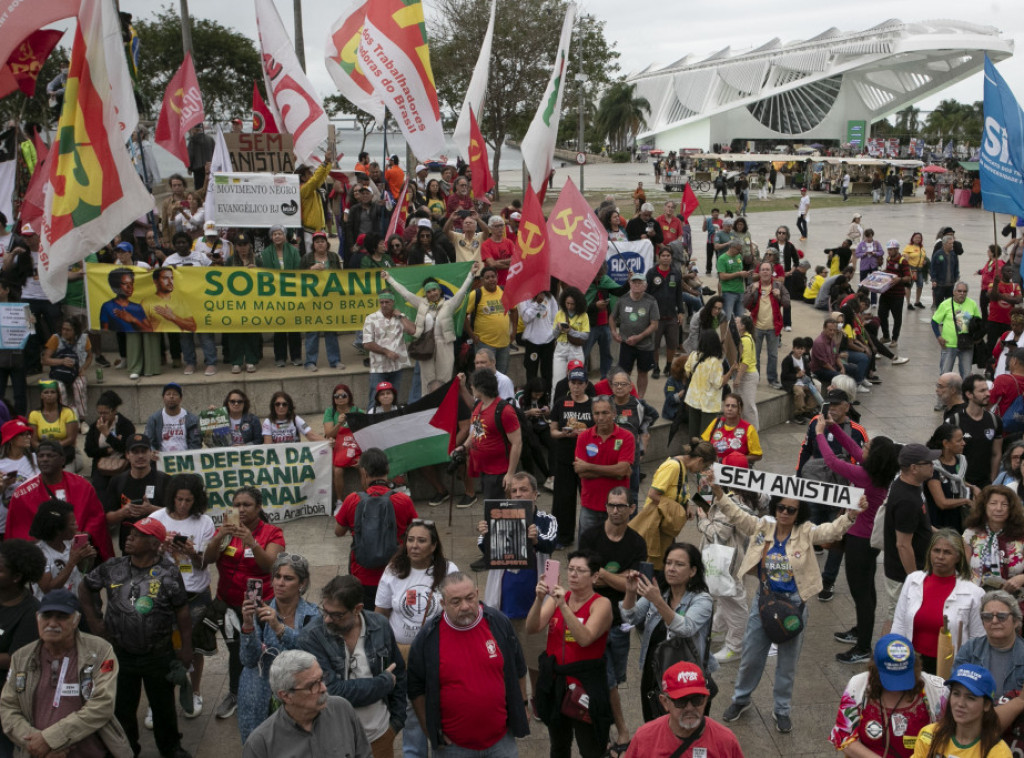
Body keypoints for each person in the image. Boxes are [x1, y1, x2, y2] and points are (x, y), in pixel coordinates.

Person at [714, 478, 866, 734]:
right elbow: (737, 515)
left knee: (787, 663)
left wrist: (850, 515)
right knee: (751, 657)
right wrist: (717, 491)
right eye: (780, 507)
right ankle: (740, 700)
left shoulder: (806, 531)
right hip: (763, 603)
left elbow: (831, 531)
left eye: (791, 509)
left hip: (795, 607)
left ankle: (781, 710)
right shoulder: (763, 527)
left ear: (799, 513)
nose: (784, 512)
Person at [79, 517, 193, 758]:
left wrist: (185, 647)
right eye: (130, 533)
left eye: (138, 535)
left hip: (159, 654)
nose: (129, 537)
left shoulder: (169, 571)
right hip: (120, 654)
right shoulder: (112, 566)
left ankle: (171, 747)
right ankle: (126, 749)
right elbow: (85, 587)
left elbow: (182, 611)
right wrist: (94, 621)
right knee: (122, 708)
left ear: (154, 544)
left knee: (163, 707)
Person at [407, 572, 529, 757]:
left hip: (501, 741)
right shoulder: (428, 637)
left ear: (477, 593)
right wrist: (430, 730)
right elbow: (415, 688)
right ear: (443, 604)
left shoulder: (498, 623)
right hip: (453, 747)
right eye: (455, 602)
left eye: (470, 598)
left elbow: (518, 667)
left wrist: (523, 705)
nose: (465, 606)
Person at [0, 588, 132, 758]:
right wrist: (35, 745)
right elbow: (8, 707)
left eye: (62, 617)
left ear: (76, 620)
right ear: (37, 619)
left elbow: (102, 705)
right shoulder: (21, 657)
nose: (52, 623)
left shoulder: (100, 651)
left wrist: (50, 740)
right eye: (46, 616)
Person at [814, 411, 900, 663]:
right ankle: (861, 631)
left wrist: (820, 434)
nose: (864, 447)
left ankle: (863, 646)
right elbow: (854, 448)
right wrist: (834, 428)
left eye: (869, 446)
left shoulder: (866, 476)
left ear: (875, 456)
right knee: (867, 590)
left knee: (861, 592)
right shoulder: (877, 472)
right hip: (866, 540)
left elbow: (831, 461)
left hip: (860, 541)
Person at [374, 518, 457, 757]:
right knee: (411, 708)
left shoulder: (449, 570)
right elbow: (380, 615)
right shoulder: (393, 571)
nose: (414, 545)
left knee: (441, 703)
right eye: (410, 540)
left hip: (440, 652)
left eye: (421, 540)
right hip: (404, 655)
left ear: (433, 546)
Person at [201, 486, 285, 721]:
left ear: (258, 508)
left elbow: (270, 566)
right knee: (236, 649)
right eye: (237, 505)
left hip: (260, 604)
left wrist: (251, 542)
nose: (241, 509)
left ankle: (270, 692)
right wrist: (219, 536)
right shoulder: (225, 532)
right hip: (227, 604)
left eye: (246, 505)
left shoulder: (272, 532)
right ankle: (236, 693)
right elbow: (206, 560)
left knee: (262, 649)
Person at [299, 575, 407, 757]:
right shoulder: (311, 637)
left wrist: (395, 723)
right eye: (324, 611)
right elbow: (331, 692)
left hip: (379, 736)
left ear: (357, 609)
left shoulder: (380, 625)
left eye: (336, 615)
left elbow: (400, 673)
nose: (327, 620)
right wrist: (384, 683)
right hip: (332, 743)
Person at [578, 487, 647, 750]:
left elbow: (631, 587)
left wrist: (603, 575)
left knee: (614, 678)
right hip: (593, 621)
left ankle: (603, 723)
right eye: (611, 505)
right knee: (606, 679)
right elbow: (584, 578)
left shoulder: (637, 543)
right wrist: (617, 578)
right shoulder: (589, 536)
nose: (615, 510)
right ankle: (620, 729)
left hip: (621, 622)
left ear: (632, 508)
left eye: (621, 506)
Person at [527, 550, 614, 758]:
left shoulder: (601, 604)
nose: (573, 574)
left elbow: (585, 638)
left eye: (580, 570)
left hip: (585, 685)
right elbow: (532, 627)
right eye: (571, 569)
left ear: (594, 576)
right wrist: (539, 600)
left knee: (590, 748)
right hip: (557, 682)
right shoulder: (559, 597)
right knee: (558, 745)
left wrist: (564, 606)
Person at [620, 542, 716, 724]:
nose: (671, 569)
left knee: (687, 728)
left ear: (693, 571)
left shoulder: (702, 600)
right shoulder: (661, 593)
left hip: (688, 675)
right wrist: (631, 593)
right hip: (654, 671)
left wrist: (657, 602)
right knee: (654, 724)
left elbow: (685, 628)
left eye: (679, 564)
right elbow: (630, 618)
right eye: (669, 563)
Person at [149, 473, 216, 717]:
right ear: (171, 497)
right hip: (162, 592)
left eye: (188, 500)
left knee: (195, 646)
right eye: (179, 499)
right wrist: (159, 546)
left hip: (195, 592)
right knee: (161, 646)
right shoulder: (156, 518)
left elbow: (203, 564)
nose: (183, 505)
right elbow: (142, 557)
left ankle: (194, 691)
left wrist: (192, 552)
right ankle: (158, 700)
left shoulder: (205, 523)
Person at [237, 553, 318, 743]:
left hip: (298, 695)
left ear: (302, 583)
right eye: (277, 577)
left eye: (288, 578)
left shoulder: (312, 615)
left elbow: (309, 654)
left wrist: (280, 628)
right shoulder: (259, 614)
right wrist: (248, 625)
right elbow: (248, 660)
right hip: (259, 695)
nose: (280, 583)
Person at [828, 633, 948, 757]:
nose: (896, 687)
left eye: (903, 677)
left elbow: (953, 735)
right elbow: (843, 736)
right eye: (890, 679)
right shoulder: (857, 686)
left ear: (915, 668)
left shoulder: (937, 690)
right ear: (874, 669)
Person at [241, 650, 372, 758]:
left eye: (322, 679)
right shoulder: (260, 744)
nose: (323, 688)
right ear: (285, 695)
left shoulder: (342, 709)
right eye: (312, 685)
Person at [334, 448, 419, 610]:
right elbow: (415, 531)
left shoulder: (352, 499)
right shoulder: (403, 500)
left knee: (366, 621)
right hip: (396, 573)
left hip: (362, 576)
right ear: (387, 470)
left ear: (364, 472)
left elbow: (338, 531)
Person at [891, 529, 985, 673]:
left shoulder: (974, 593)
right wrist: (894, 658)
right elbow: (899, 624)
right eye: (936, 551)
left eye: (947, 552)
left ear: (958, 557)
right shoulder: (912, 580)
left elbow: (977, 639)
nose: (940, 556)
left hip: (951, 668)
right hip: (912, 663)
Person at [6, 440, 114, 561]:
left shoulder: (82, 485)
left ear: (63, 460)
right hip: (42, 559)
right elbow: (18, 531)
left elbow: (96, 517)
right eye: (41, 456)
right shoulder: (22, 493)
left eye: (50, 455)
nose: (44, 459)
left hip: (80, 553)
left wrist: (85, 535)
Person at [384, 263, 480, 397]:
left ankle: (444, 407)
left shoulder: (449, 305)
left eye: (434, 290)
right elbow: (405, 293)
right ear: (425, 294)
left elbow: (462, 291)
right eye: (428, 291)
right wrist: (389, 279)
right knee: (427, 380)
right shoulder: (421, 304)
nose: (432, 293)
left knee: (445, 379)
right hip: (425, 346)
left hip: (445, 344)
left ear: (440, 291)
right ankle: (427, 409)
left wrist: (471, 274)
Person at [623, 660, 742, 758]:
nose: (690, 708)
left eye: (697, 700)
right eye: (681, 701)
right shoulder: (644, 739)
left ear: (705, 700)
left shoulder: (725, 741)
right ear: (665, 702)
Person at [912, 663, 1012, 758]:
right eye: (956, 694)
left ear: (986, 705)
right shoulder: (930, 735)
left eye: (970, 698)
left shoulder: (999, 753)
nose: (960, 703)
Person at [460, 368, 522, 513]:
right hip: (485, 470)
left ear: (481, 387)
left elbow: (517, 443)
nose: (471, 387)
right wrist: (464, 447)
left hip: (499, 472)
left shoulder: (504, 411)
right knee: (491, 510)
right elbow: (477, 431)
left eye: (473, 385)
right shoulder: (478, 406)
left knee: (498, 512)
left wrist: (510, 473)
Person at [574, 397, 635, 541]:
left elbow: (621, 470)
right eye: (596, 413)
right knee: (586, 554)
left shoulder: (627, 437)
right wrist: (615, 472)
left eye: (605, 413)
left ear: (614, 413)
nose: (600, 418)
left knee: (616, 550)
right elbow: (580, 471)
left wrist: (589, 467)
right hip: (590, 506)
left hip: (617, 507)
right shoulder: (583, 437)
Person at [104, 433, 168, 551]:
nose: (140, 456)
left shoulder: (165, 480)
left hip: (158, 548)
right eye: (135, 452)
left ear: (151, 453)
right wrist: (122, 513)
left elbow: (177, 514)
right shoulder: (117, 481)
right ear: (127, 455)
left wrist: (151, 509)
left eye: (144, 451)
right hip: (129, 548)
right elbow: (107, 518)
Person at [962, 487, 1024, 603]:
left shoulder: (1021, 535)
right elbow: (962, 570)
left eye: (1004, 504)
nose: (998, 508)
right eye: (993, 503)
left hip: (1015, 603)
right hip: (977, 600)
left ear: (1011, 508)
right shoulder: (970, 534)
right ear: (984, 506)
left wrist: (1021, 578)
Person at [948, 376, 1003, 489]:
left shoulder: (994, 421)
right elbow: (947, 455)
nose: (988, 394)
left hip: (985, 484)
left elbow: (996, 453)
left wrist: (992, 481)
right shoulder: (954, 421)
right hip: (960, 483)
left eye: (987, 390)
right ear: (969, 394)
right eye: (982, 391)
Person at [363, 290, 416, 407]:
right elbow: (367, 343)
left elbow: (412, 331)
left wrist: (401, 316)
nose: (384, 305)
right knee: (375, 399)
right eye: (381, 302)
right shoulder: (371, 318)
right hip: (378, 367)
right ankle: (373, 424)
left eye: (387, 302)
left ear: (393, 302)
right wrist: (386, 352)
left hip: (397, 366)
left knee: (393, 399)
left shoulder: (400, 317)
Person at [611, 273, 660, 398]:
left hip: (645, 345)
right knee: (624, 373)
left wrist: (639, 337)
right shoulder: (622, 300)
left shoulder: (651, 301)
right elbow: (612, 317)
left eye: (640, 283)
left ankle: (640, 398)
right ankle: (625, 396)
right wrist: (614, 332)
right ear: (630, 284)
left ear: (645, 286)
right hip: (626, 344)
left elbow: (654, 324)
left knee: (642, 372)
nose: (636, 285)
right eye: (634, 282)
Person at [683, 329, 735, 441]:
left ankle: (693, 455)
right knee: (706, 436)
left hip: (693, 400)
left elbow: (687, 371)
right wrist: (730, 372)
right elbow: (718, 384)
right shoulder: (714, 362)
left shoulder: (693, 356)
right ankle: (703, 457)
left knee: (693, 435)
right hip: (709, 404)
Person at [743, 261, 789, 389]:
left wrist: (779, 297)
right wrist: (752, 291)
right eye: (762, 269)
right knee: (755, 355)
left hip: (773, 327)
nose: (765, 272)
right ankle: (755, 379)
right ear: (759, 272)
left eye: (767, 269)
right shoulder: (753, 285)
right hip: (756, 326)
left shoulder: (778, 286)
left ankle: (773, 380)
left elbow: (787, 304)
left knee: (773, 355)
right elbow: (745, 304)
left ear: (771, 272)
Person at [83, 389, 135, 496]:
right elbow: (89, 450)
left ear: (114, 411)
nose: (102, 416)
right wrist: (108, 450)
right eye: (100, 413)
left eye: (105, 413)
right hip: (101, 466)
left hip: (122, 465)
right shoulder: (94, 427)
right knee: (100, 491)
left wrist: (107, 434)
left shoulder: (126, 425)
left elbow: (125, 447)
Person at [924, 424, 974, 533]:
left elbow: (957, 481)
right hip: (939, 525)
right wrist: (965, 501)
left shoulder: (961, 461)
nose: (964, 443)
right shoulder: (933, 467)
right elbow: (942, 502)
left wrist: (972, 487)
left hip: (957, 522)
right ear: (946, 443)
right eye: (959, 440)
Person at [42, 318, 91, 419]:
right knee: (59, 388)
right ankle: (64, 417)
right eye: (63, 329)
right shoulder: (55, 338)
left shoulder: (84, 338)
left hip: (76, 373)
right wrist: (62, 361)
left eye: (68, 330)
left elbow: (90, 356)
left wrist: (84, 368)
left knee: (79, 386)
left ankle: (82, 419)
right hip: (59, 373)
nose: (64, 332)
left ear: (75, 331)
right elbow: (45, 360)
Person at [932, 282, 981, 379]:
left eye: (964, 291)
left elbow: (979, 323)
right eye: (959, 291)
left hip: (967, 345)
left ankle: (964, 393)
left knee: (966, 375)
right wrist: (939, 336)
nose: (962, 293)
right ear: (954, 292)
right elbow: (934, 322)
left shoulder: (972, 304)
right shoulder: (945, 305)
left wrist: (977, 337)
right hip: (949, 345)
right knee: (945, 374)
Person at [28, 380, 78, 470]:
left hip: (64, 451)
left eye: (53, 392)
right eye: (46, 392)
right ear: (41, 395)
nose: (49, 395)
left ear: (58, 395)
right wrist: (45, 450)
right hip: (43, 453)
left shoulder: (68, 412)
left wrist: (54, 448)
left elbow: (71, 438)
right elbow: (33, 441)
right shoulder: (34, 414)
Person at [701, 393, 763, 466]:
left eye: (733, 406)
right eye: (727, 405)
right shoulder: (716, 422)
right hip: (714, 468)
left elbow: (758, 455)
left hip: (737, 470)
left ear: (740, 409)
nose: (729, 409)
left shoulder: (749, 428)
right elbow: (704, 444)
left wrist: (737, 460)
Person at [143, 382, 201, 452]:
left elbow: (196, 443)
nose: (171, 397)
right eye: (168, 394)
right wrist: (153, 452)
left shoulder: (191, 419)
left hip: (185, 459)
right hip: (161, 460)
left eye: (175, 394)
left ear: (181, 398)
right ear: (163, 398)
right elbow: (147, 441)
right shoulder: (154, 419)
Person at [931, 234, 962, 307]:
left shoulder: (953, 254)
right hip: (940, 284)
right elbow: (933, 268)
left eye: (952, 243)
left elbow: (956, 267)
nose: (952, 245)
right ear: (944, 244)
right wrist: (934, 280)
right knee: (940, 306)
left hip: (950, 285)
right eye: (950, 243)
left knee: (950, 305)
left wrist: (956, 277)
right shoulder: (938, 254)